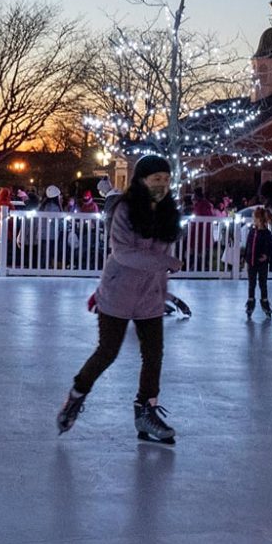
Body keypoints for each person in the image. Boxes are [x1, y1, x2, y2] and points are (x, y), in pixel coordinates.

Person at [56, 154, 182, 442]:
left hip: (149, 295)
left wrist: (162, 291)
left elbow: (160, 260)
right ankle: (76, 395)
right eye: (155, 179)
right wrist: (166, 263)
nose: (162, 185)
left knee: (154, 354)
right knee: (107, 351)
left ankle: (145, 411)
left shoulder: (167, 212)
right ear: (141, 180)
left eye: (166, 179)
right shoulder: (125, 210)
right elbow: (124, 253)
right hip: (117, 292)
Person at [245, 205, 272, 319]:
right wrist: (245, 257)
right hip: (251, 262)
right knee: (251, 284)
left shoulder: (267, 233)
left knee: (263, 284)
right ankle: (250, 302)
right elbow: (248, 244)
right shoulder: (252, 231)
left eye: (255, 218)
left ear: (260, 220)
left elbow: (270, 248)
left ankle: (265, 302)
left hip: (261, 263)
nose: (253, 220)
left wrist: (267, 257)